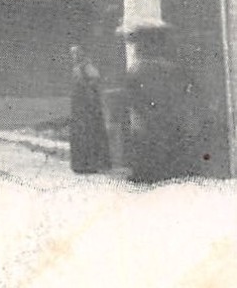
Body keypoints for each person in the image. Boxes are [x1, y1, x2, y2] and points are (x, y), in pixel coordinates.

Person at [124, 25, 197, 184]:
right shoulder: (172, 68)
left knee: (148, 147)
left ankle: (148, 175)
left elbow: (132, 96)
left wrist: (138, 114)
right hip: (168, 116)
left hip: (148, 116)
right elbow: (184, 91)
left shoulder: (137, 69)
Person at [68, 44, 110, 174]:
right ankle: (81, 164)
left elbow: (94, 81)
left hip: (88, 108)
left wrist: (88, 93)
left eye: (76, 53)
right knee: (80, 135)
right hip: (79, 108)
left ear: (82, 53)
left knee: (89, 134)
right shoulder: (77, 68)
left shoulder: (87, 67)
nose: (74, 56)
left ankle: (91, 164)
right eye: (72, 54)